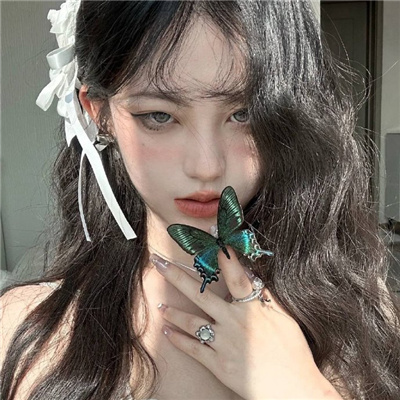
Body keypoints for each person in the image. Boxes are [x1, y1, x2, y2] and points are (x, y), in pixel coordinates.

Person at [1, 1, 399, 399]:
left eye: (244, 114)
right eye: (159, 116)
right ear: (99, 114)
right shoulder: (27, 334)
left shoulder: (363, 321)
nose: (207, 167)